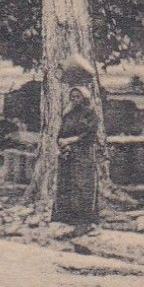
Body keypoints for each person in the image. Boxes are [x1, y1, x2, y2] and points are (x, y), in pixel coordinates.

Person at [54, 85, 100, 231]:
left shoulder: (90, 113)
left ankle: (84, 220)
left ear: (84, 98)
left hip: (83, 153)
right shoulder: (68, 114)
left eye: (77, 97)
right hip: (68, 154)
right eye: (72, 97)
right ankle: (67, 219)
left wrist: (72, 141)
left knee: (82, 184)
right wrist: (62, 143)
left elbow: (89, 134)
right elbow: (61, 133)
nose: (74, 100)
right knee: (66, 184)